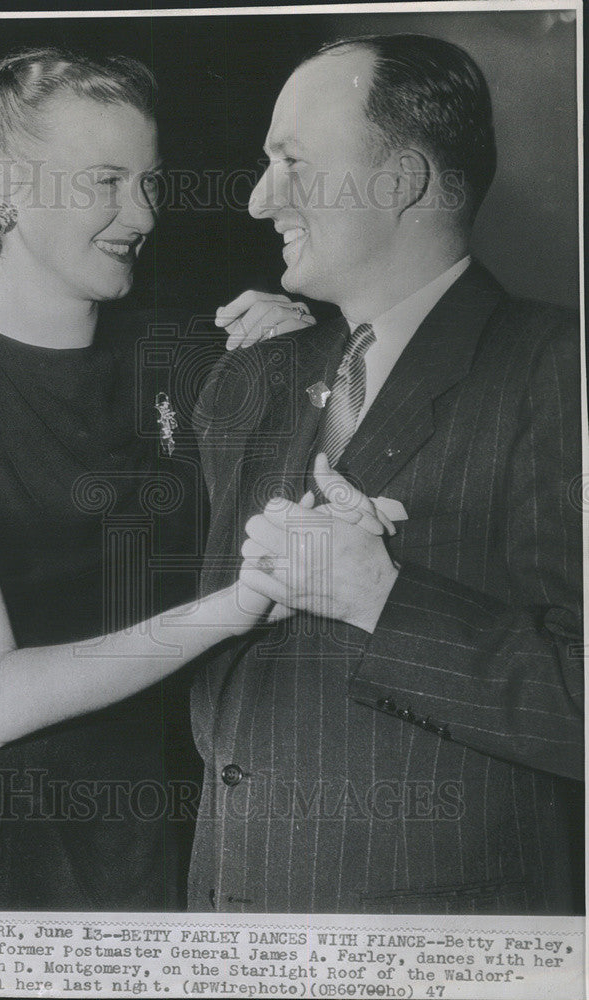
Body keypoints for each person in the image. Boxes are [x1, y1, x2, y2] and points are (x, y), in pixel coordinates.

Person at [0, 47, 314, 910]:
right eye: (105, 181)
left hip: (167, 840)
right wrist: (233, 608)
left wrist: (314, 344)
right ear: (10, 187)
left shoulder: (195, 352)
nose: (138, 213)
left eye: (148, 182)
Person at [185, 33, 583, 914]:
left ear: (400, 182)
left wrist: (382, 597)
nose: (258, 201)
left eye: (291, 162)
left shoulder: (560, 370)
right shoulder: (258, 380)